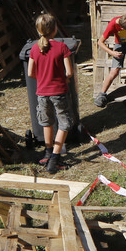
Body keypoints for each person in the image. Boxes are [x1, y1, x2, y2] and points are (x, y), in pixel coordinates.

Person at [27, 13, 76, 174]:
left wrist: (43, 79)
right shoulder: (62, 47)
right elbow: (69, 72)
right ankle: (55, 159)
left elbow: (30, 73)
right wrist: (64, 79)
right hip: (59, 92)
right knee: (64, 123)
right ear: (55, 29)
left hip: (42, 93)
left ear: (38, 30)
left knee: (47, 122)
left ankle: (47, 153)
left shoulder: (35, 48)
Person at [95, 13, 126, 107]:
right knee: (115, 70)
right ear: (122, 28)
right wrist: (112, 53)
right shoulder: (112, 25)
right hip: (120, 44)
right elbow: (100, 42)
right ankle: (102, 94)